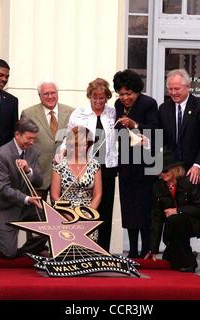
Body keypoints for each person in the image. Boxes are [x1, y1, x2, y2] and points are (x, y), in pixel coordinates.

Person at [158, 69, 200, 273]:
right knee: (177, 214)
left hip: (197, 171)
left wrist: (198, 165)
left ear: (187, 87)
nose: (173, 92)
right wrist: (172, 168)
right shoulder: (164, 108)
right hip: (176, 172)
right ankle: (183, 256)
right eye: (170, 89)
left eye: (177, 88)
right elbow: (164, 142)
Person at [58, 78, 117, 251]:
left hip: (108, 167)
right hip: (86, 166)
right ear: (89, 97)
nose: (98, 101)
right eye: (95, 98)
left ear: (107, 97)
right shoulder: (79, 113)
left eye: (102, 98)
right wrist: (61, 154)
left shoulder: (113, 113)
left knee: (106, 209)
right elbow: (69, 136)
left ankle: (103, 250)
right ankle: (84, 247)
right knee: (88, 207)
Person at [0, 118, 47, 259]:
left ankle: (24, 253)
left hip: (25, 207)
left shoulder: (33, 152)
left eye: (34, 139)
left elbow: (39, 181)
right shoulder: (1, 155)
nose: (31, 142)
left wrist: (28, 170)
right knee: (7, 252)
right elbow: (4, 189)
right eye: (29, 138)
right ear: (17, 135)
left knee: (52, 223)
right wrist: (26, 199)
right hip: (4, 207)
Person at [114, 69, 159, 258]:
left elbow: (156, 129)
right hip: (125, 160)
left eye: (129, 94)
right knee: (129, 206)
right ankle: (132, 249)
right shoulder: (117, 104)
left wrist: (135, 125)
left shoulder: (149, 103)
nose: (125, 98)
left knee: (145, 205)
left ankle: (147, 247)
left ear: (137, 91)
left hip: (146, 162)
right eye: (122, 94)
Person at [145, 149, 200, 272]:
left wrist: (178, 210)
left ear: (175, 169)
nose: (162, 174)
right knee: (172, 262)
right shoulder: (158, 187)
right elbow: (157, 218)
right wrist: (153, 248)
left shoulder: (189, 182)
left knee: (174, 219)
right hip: (172, 228)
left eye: (165, 171)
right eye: (160, 172)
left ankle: (190, 262)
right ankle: (184, 255)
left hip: (194, 223)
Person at [21, 81, 74, 201]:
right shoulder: (28, 113)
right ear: (39, 96)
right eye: (46, 94)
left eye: (53, 93)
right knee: (38, 215)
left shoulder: (71, 112)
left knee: (62, 216)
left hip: (64, 174)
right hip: (38, 173)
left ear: (57, 93)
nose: (50, 96)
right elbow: (24, 144)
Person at [51, 126, 102, 215]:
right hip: (65, 215)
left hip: (89, 215)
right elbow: (54, 196)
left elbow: (98, 195)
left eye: (85, 144)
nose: (82, 148)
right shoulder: (60, 165)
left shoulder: (95, 165)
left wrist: (87, 214)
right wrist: (70, 216)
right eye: (78, 145)